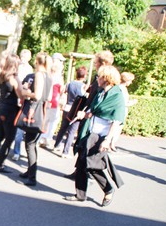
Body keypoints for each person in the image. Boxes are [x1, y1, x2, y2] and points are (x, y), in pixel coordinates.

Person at [65, 65, 125, 206]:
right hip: (90, 131)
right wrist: (84, 114)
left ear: (107, 78)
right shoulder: (100, 92)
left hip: (101, 136)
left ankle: (108, 189)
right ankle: (80, 194)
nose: (97, 79)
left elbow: (116, 120)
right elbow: (94, 112)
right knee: (81, 163)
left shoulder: (117, 95)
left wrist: (108, 140)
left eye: (100, 76)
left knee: (92, 165)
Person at [63, 51, 114, 180]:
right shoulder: (98, 78)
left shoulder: (105, 79)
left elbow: (99, 100)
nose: (95, 65)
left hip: (92, 117)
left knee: (86, 145)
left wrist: (87, 113)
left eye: (96, 62)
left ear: (102, 63)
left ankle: (88, 174)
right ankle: (79, 171)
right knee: (82, 143)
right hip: (88, 115)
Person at [18, 52, 53, 186]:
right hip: (43, 112)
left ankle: (32, 176)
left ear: (37, 62)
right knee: (32, 143)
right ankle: (30, 171)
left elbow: (37, 95)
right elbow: (48, 97)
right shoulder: (49, 76)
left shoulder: (39, 74)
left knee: (30, 144)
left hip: (34, 110)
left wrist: (26, 93)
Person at [0, 54, 23, 172]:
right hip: (10, 110)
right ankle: (0, 163)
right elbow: (20, 94)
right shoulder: (13, 78)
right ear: (15, 64)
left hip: (0, 106)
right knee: (9, 138)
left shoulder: (2, 75)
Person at [52, 66, 88, 158]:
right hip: (76, 109)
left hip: (67, 107)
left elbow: (63, 92)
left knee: (63, 128)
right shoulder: (83, 86)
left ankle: (56, 145)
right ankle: (65, 151)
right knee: (71, 132)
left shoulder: (69, 83)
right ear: (84, 76)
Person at [39, 53, 65, 149]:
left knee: (46, 119)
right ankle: (46, 138)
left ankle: (42, 137)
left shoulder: (47, 74)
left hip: (47, 100)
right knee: (53, 120)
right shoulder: (58, 77)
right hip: (54, 101)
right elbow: (61, 90)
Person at [12, 49, 33, 161]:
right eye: (22, 56)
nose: (23, 59)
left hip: (22, 101)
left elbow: (27, 86)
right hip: (13, 100)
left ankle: (16, 151)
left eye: (25, 57)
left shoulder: (30, 71)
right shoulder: (16, 67)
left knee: (19, 129)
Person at [110, 72, 137, 151]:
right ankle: (111, 144)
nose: (131, 82)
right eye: (130, 81)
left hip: (118, 110)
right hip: (120, 111)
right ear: (126, 80)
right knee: (117, 128)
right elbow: (123, 102)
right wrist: (132, 102)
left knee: (115, 127)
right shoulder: (122, 89)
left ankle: (111, 143)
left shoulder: (117, 87)